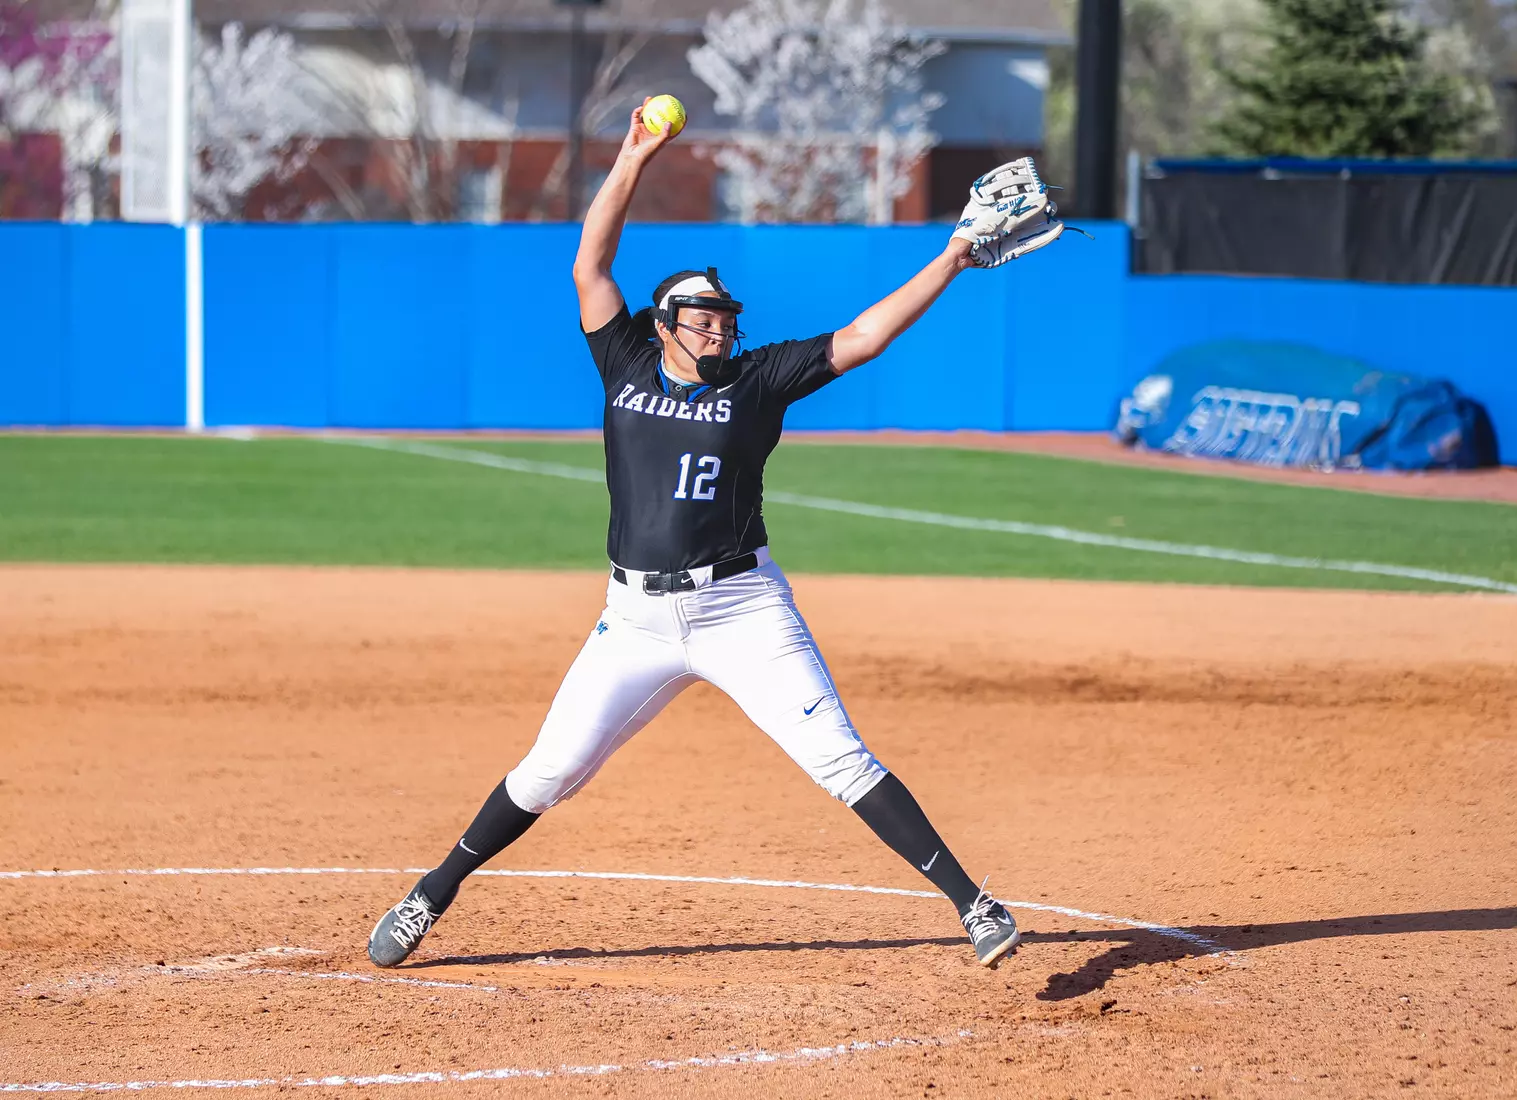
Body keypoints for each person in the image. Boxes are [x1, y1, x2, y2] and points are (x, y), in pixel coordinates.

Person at [368, 98, 1068, 972]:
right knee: (547, 773)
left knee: (838, 760)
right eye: (702, 316)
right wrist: (632, 156)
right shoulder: (622, 357)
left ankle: (975, 905)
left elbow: (863, 337)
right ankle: (428, 895)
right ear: (662, 324)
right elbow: (589, 260)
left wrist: (953, 257)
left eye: (725, 316)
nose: (719, 326)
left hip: (741, 606)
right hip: (633, 622)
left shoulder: (757, 379)